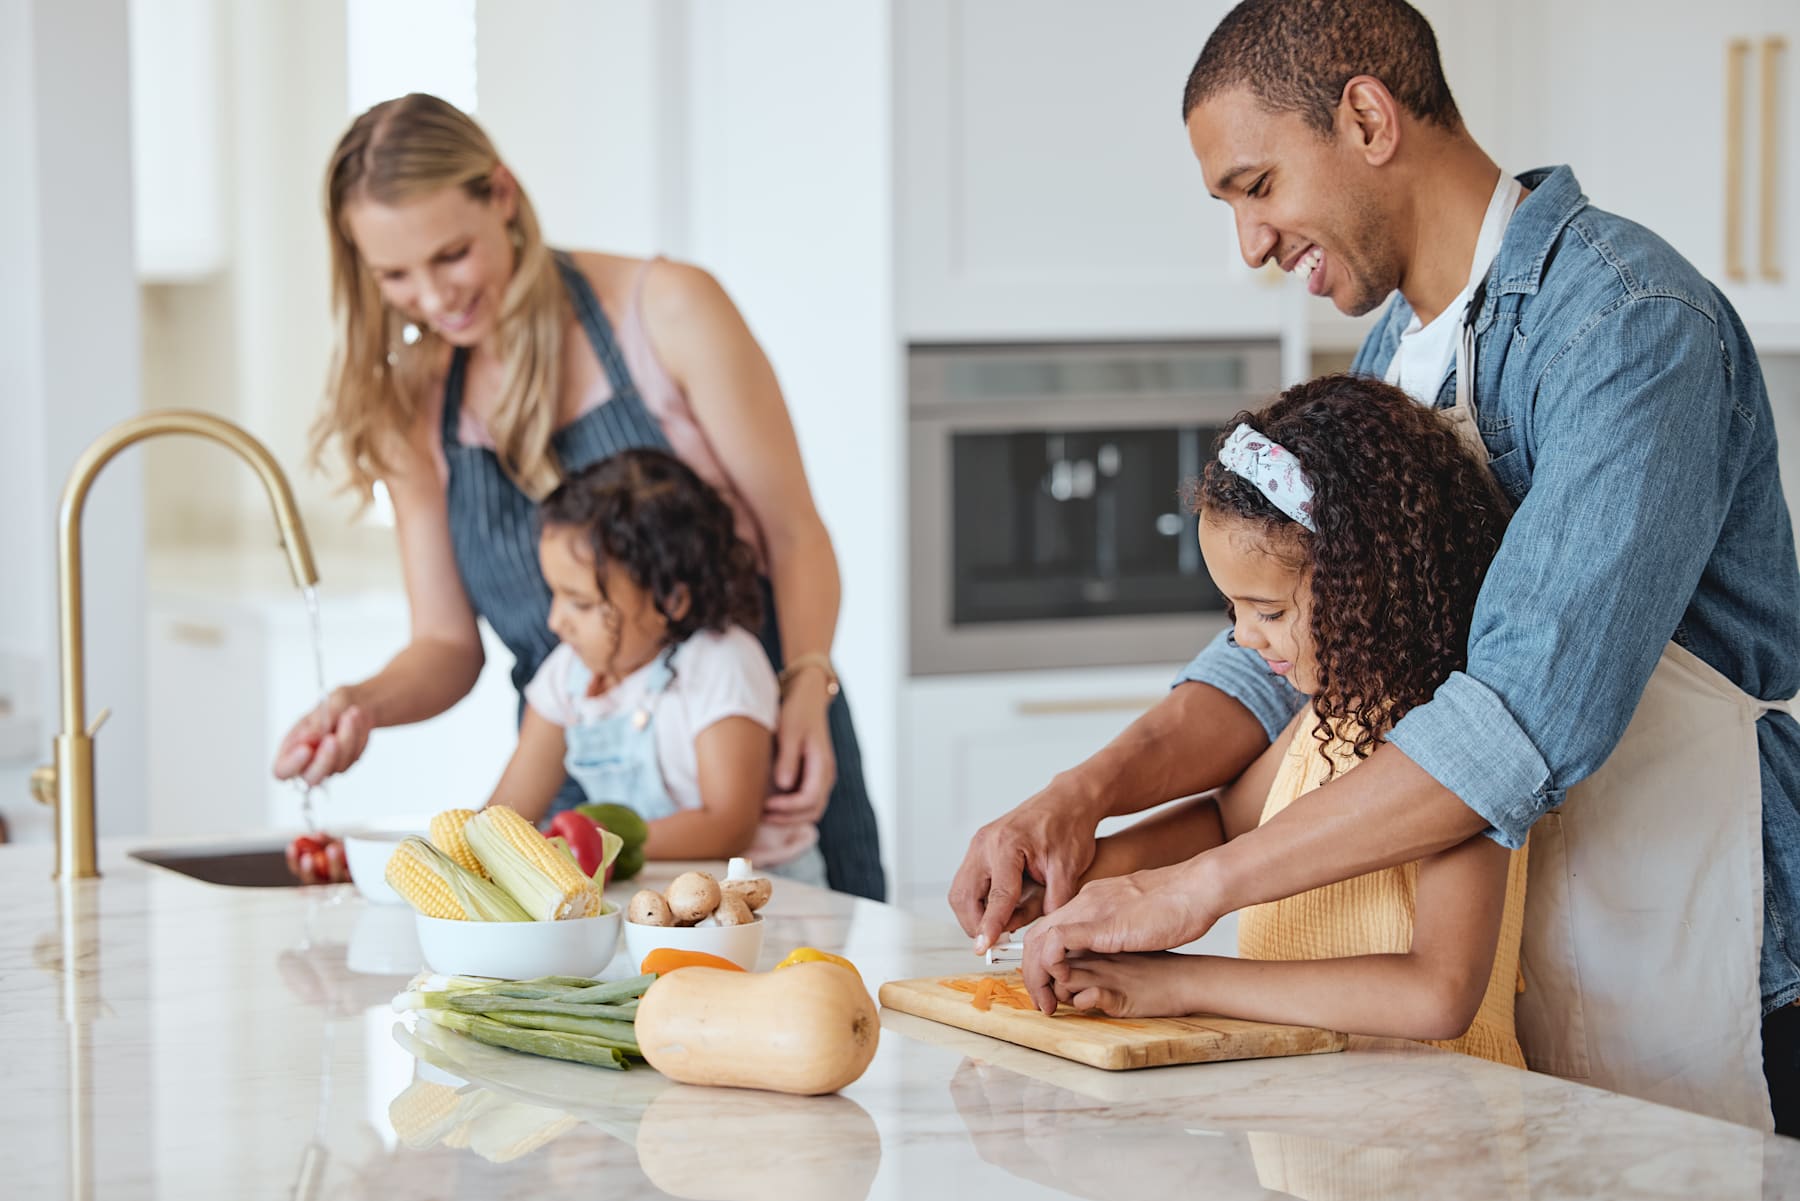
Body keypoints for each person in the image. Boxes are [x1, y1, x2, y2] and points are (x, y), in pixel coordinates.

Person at [953, 0, 1800, 1132]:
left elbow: (1516, 723)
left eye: (1255, 188)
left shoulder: (1630, 327)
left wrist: (1187, 896)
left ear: (1366, 118)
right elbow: (1290, 653)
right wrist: (1079, 801)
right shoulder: (1398, 344)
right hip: (1525, 958)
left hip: (1711, 939)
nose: (1249, 245)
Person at [272, 93, 884, 899]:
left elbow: (796, 535)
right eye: (395, 275)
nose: (433, 297)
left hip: (759, 764)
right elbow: (447, 647)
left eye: (451, 254)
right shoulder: (416, 401)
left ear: (502, 193)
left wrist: (807, 684)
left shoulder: (667, 311)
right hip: (574, 820)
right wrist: (361, 704)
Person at [1063, 375, 1525, 1064]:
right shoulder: (1327, 717)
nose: (1245, 638)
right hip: (1310, 1133)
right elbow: (1224, 823)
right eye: (1234, 610)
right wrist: (1079, 881)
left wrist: (1182, 981)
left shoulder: (1448, 748)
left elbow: (1440, 992)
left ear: (1363, 580)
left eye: (1269, 612)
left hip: (1440, 1136)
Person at [490, 449, 826, 885]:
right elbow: (507, 812)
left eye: (582, 602)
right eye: (555, 594)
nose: (556, 621)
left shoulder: (721, 663)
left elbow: (729, 825)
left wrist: (598, 843)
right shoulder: (566, 674)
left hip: (765, 893)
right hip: (652, 892)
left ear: (671, 600)